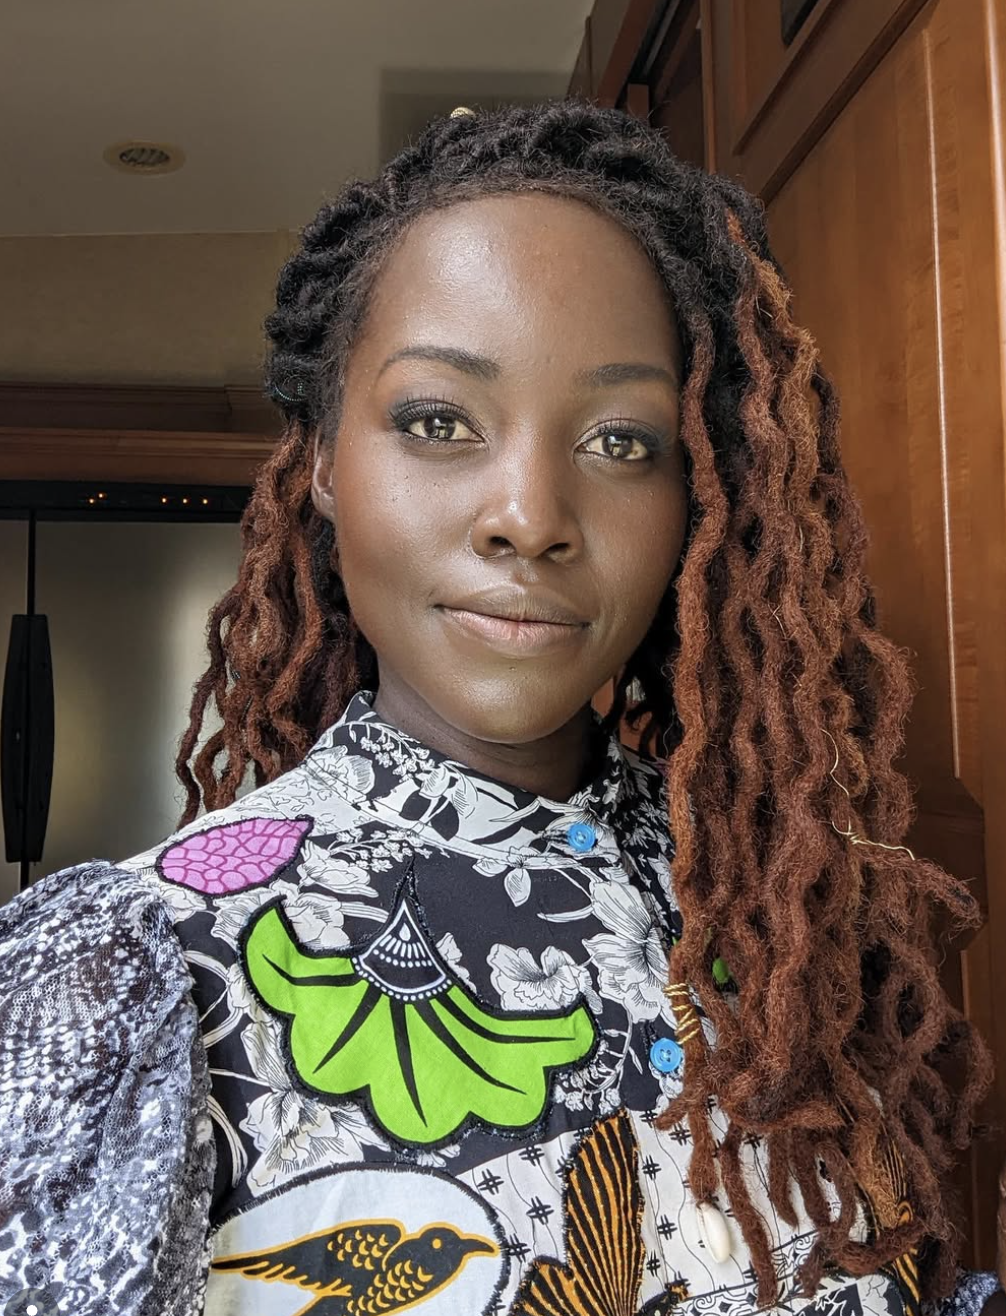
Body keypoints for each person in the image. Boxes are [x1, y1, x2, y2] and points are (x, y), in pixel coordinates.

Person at [0, 100, 1002, 1316]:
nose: (528, 514)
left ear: (701, 495)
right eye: (438, 421)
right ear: (323, 457)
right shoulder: (141, 974)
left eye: (622, 440)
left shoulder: (793, 914)